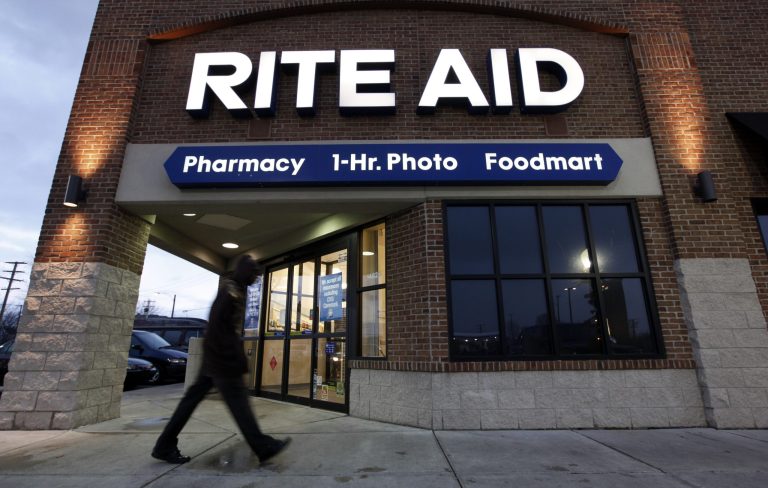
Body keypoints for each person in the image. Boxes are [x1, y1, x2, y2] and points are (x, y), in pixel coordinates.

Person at [151, 255, 290, 464]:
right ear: (245, 272)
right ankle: (262, 446)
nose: (255, 279)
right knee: (239, 403)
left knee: (192, 401)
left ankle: (164, 445)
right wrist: (234, 360)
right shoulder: (230, 291)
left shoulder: (235, 288)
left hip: (215, 358)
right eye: (253, 274)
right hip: (222, 360)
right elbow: (219, 327)